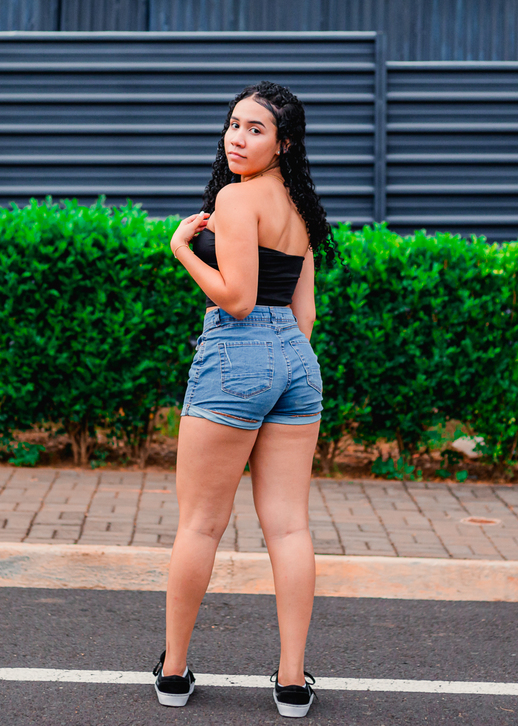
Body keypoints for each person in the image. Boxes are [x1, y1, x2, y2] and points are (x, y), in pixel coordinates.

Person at [153, 81, 340, 718]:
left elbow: (236, 299)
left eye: (255, 129)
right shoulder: (300, 207)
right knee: (289, 526)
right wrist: (282, 361)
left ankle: (173, 673)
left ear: (284, 143)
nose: (237, 137)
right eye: (234, 124)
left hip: (238, 353)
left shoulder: (236, 199)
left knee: (200, 524)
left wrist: (181, 249)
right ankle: (291, 682)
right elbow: (305, 313)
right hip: (296, 360)